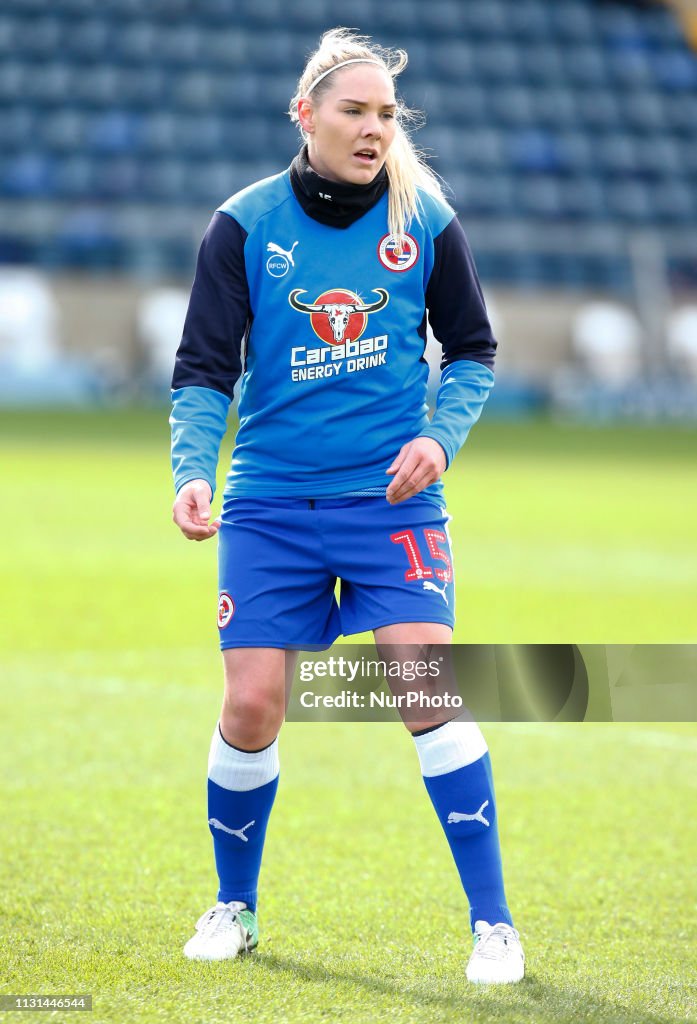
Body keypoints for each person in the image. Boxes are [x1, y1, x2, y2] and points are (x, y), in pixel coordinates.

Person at [170, 27, 524, 984]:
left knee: (423, 682)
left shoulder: (429, 222)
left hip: (389, 502)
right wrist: (191, 469)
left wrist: (435, 439)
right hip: (271, 502)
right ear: (306, 115)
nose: (374, 130)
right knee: (251, 703)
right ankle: (233, 907)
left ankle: (493, 926)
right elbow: (203, 370)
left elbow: (474, 351)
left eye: (385, 115)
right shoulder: (242, 226)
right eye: (354, 111)